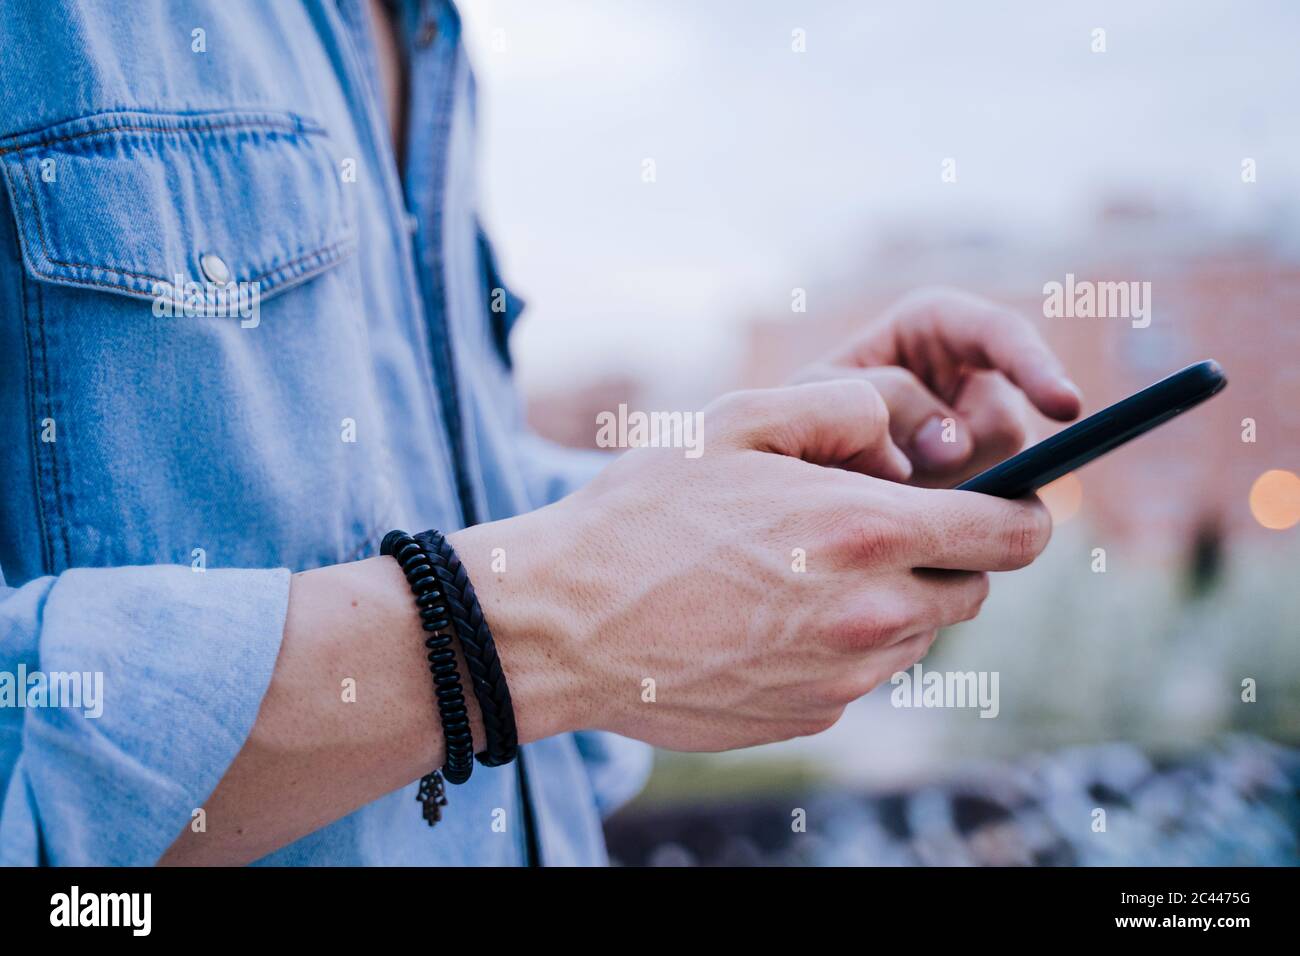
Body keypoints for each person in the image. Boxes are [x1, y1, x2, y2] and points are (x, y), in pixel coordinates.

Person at [0, 0, 1081, 867]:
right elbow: (530, 602)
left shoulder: (431, 40)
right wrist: (544, 629)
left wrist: (793, 481)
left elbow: (434, 522)